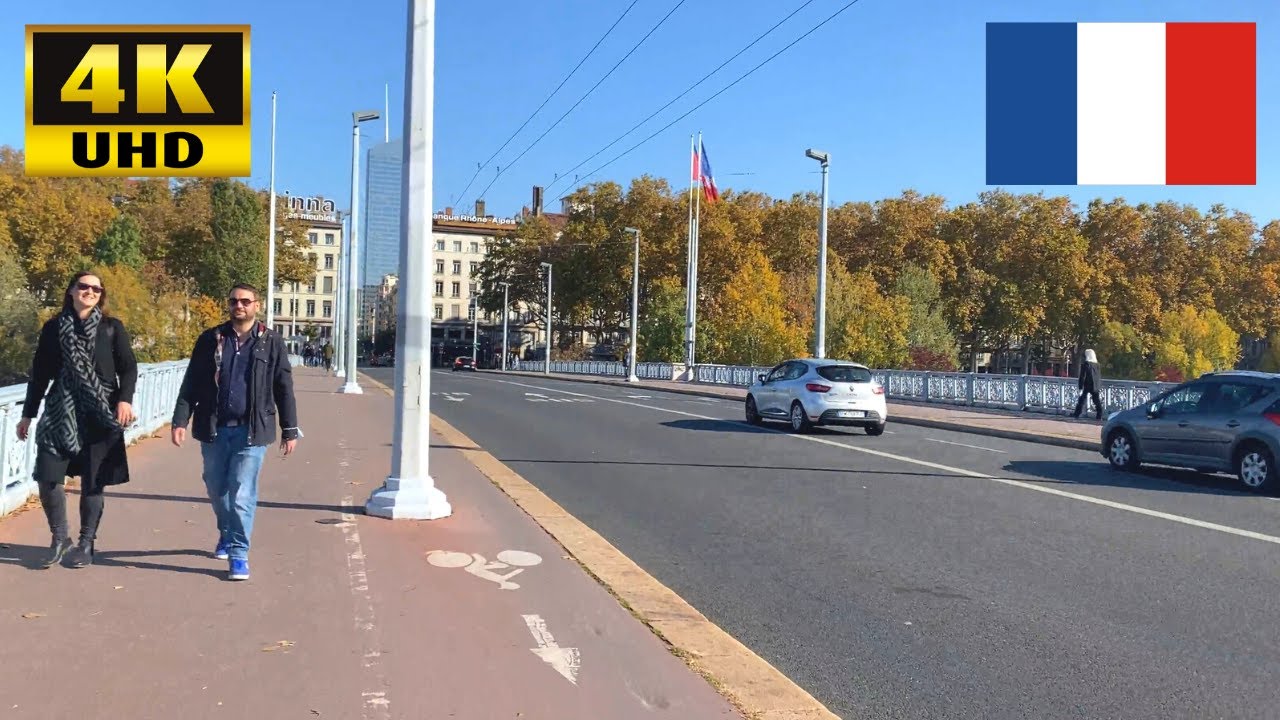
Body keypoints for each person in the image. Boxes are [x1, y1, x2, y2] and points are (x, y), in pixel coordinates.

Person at [170, 283, 301, 581]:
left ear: (257, 305)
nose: (238, 306)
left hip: (252, 432)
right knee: (217, 490)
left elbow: (284, 388)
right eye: (233, 301)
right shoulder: (210, 339)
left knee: (242, 492)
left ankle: (239, 555)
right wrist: (180, 419)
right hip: (214, 428)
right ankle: (226, 533)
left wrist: (289, 429)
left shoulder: (271, 342)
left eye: (245, 301)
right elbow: (191, 381)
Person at [17, 271, 137, 568]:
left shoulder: (111, 328)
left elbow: (129, 368)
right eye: (84, 286)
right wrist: (28, 414)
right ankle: (60, 539)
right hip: (61, 411)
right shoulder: (54, 328)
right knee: (47, 478)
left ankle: (86, 543)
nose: (90, 291)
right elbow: (40, 373)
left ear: (101, 295)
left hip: (100, 412)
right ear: (71, 291)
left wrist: (125, 399)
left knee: (93, 482)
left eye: (96, 288)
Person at [1073, 348, 1103, 420]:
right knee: (1096, 400)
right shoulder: (1097, 365)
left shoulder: (1085, 364)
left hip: (1087, 384)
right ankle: (1099, 415)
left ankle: (1076, 414)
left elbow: (1082, 376)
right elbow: (1098, 376)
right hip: (1095, 384)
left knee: (1082, 400)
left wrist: (1080, 387)